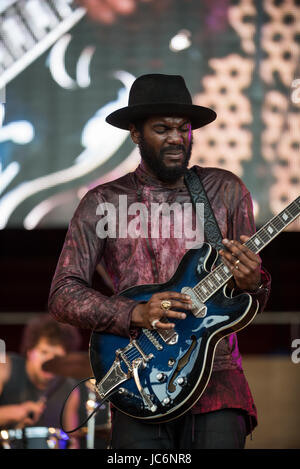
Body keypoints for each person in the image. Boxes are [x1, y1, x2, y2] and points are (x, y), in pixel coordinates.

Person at [48, 73, 271, 449]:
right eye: (161, 128)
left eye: (183, 129)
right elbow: (63, 294)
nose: (175, 138)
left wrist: (253, 282)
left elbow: (252, 300)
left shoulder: (227, 190)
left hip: (218, 380)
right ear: (135, 133)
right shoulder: (102, 202)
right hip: (140, 380)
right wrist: (134, 314)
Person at [0, 315, 81, 448]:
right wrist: (16, 411)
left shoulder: (70, 389)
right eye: (44, 352)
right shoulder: (5, 368)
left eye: (56, 357)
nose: (49, 361)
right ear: (30, 351)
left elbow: (73, 441)